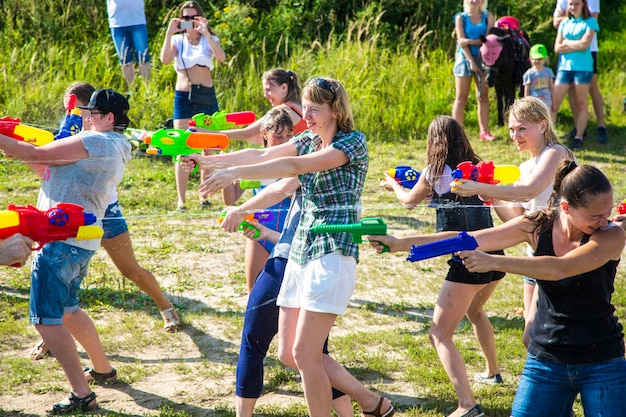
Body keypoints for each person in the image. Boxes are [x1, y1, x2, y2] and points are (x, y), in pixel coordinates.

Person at [182, 77, 394, 417]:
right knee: (288, 355)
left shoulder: (352, 143)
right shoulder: (309, 138)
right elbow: (264, 152)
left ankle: (360, 406)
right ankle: (371, 402)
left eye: (314, 108)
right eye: (305, 107)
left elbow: (294, 167)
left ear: (335, 110)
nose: (306, 115)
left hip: (332, 250)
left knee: (307, 354)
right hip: (299, 251)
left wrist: (233, 173)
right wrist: (212, 163)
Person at [371, 160, 626, 416]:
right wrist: (399, 243)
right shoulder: (538, 226)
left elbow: (559, 269)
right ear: (566, 207)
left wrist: (493, 261)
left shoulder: (612, 235)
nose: (605, 221)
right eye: (596, 215)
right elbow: (465, 239)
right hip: (547, 358)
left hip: (603, 359)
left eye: (607, 211)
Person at [0, 88, 132, 414]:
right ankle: (102, 369)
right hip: (76, 243)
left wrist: (12, 145)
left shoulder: (99, 142)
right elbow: (47, 168)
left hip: (60, 243)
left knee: (45, 320)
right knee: (70, 311)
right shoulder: (112, 144)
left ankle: (82, 393)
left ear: (109, 118)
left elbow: (35, 154)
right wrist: (16, 148)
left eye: (92, 112)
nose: (85, 117)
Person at [28, 82, 180, 362]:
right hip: (73, 216)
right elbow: (48, 162)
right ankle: (48, 338)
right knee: (58, 289)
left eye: (74, 106)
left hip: (106, 213)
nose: (70, 112)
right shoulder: (75, 128)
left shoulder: (99, 136)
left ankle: (165, 307)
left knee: (130, 269)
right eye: (69, 107)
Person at [380, 116, 505, 417]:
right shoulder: (475, 168)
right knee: (475, 312)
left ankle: (468, 404)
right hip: (494, 255)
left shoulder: (434, 172)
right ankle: (493, 372)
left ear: (433, 141)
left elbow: (409, 202)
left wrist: (394, 185)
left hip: (466, 261)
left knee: (439, 333)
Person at [221, 177, 353, 417]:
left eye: (287, 135)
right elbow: (296, 232)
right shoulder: (316, 159)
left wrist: (225, 171)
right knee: (304, 353)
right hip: (293, 256)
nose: (284, 137)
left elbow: (270, 173)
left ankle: (370, 401)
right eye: (277, 134)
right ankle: (366, 406)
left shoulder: (309, 160)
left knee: (262, 343)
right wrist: (267, 233)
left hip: (291, 262)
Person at [452, 96, 573, 348]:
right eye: (511, 129)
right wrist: (490, 195)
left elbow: (528, 191)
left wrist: (480, 185)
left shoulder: (556, 153)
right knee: (531, 339)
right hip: (534, 255)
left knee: (538, 337)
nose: (514, 135)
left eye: (521, 128)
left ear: (542, 125)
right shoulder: (527, 165)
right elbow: (518, 220)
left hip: (558, 255)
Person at [159, 1, 226, 211]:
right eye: (185, 18)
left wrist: (205, 33)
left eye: (193, 17)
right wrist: (169, 33)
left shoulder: (209, 39)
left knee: (208, 146)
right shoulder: (178, 40)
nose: (189, 22)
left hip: (205, 96)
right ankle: (181, 200)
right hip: (183, 96)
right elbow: (164, 60)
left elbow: (222, 58)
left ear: (200, 17)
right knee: (182, 146)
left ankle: (204, 195)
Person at [221, 108, 294, 292]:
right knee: (254, 293)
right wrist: (224, 172)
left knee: (289, 295)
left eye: (289, 136)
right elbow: (230, 199)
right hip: (259, 235)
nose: (284, 141)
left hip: (288, 235)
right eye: (278, 136)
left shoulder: (297, 164)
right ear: (264, 134)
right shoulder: (253, 164)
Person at [554, 0, 608, 143]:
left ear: (583, 5)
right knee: (555, 102)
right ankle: (554, 135)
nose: (572, 7)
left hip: (584, 65)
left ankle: (592, 129)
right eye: (571, 4)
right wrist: (575, 45)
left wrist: (567, 43)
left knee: (583, 99)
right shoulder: (566, 22)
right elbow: (557, 46)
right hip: (566, 66)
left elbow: (585, 44)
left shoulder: (589, 20)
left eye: (576, 4)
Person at [218, 68, 307, 145]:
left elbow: (246, 134)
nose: (265, 95)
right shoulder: (298, 106)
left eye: (268, 90)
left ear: (284, 87)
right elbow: (259, 137)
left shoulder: (284, 110)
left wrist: (209, 133)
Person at [452, 0, 495, 141]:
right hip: (464, 58)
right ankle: (455, 133)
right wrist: (472, 62)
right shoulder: (461, 18)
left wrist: (469, 41)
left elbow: (487, 40)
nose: (474, 1)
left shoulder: (488, 17)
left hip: (483, 58)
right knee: (461, 97)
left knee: (482, 95)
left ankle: (484, 131)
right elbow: (461, 42)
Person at [106, 0, 152, 85]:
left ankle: (148, 90)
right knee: (125, 60)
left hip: (137, 21)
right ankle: (132, 90)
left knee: (143, 58)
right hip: (117, 23)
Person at [523, 44, 556, 121]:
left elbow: (552, 88)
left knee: (548, 119)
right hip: (534, 102)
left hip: (547, 101)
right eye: (535, 58)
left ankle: (549, 132)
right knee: (536, 120)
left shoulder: (548, 72)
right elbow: (526, 89)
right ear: (530, 59)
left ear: (545, 59)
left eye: (540, 58)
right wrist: (526, 102)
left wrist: (554, 102)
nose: (537, 61)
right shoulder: (529, 73)